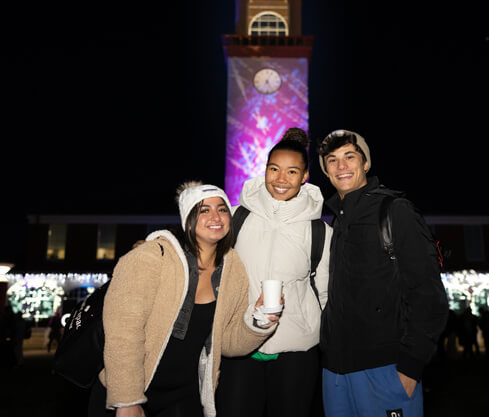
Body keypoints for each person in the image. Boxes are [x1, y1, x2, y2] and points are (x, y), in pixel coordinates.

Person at [88, 182, 281, 417]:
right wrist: (127, 400)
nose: (216, 216)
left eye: (222, 209)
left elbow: (228, 342)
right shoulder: (150, 257)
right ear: (187, 218)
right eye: (203, 210)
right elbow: (123, 333)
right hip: (130, 392)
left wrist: (259, 321)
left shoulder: (234, 268)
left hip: (184, 396)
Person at [316, 129, 449, 417]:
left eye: (350, 156)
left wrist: (411, 367)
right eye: (332, 160)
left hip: (385, 369)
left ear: (366, 164)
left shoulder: (395, 211)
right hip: (334, 373)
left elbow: (428, 293)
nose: (341, 166)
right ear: (325, 171)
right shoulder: (335, 222)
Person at [215, 128, 332, 417]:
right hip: (240, 343)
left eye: (292, 172)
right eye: (274, 169)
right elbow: (198, 245)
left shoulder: (321, 232)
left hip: (296, 351)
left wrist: (309, 326)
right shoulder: (237, 216)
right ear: (264, 170)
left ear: (305, 177)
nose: (281, 179)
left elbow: (325, 292)